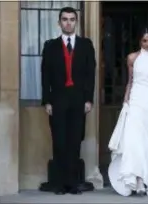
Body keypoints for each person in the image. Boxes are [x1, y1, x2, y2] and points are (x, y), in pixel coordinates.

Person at [108, 27, 148, 197]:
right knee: (134, 139)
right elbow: (130, 81)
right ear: (139, 42)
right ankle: (137, 180)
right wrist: (126, 100)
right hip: (136, 99)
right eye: (144, 41)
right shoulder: (132, 58)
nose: (147, 43)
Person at [41, 7, 96, 195]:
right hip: (57, 99)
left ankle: (72, 184)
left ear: (76, 22)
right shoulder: (50, 46)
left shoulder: (86, 45)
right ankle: (59, 184)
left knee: (75, 141)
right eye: (64, 19)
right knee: (59, 141)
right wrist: (46, 101)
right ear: (59, 23)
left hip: (79, 100)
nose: (68, 23)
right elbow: (45, 75)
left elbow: (91, 74)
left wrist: (89, 99)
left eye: (72, 19)